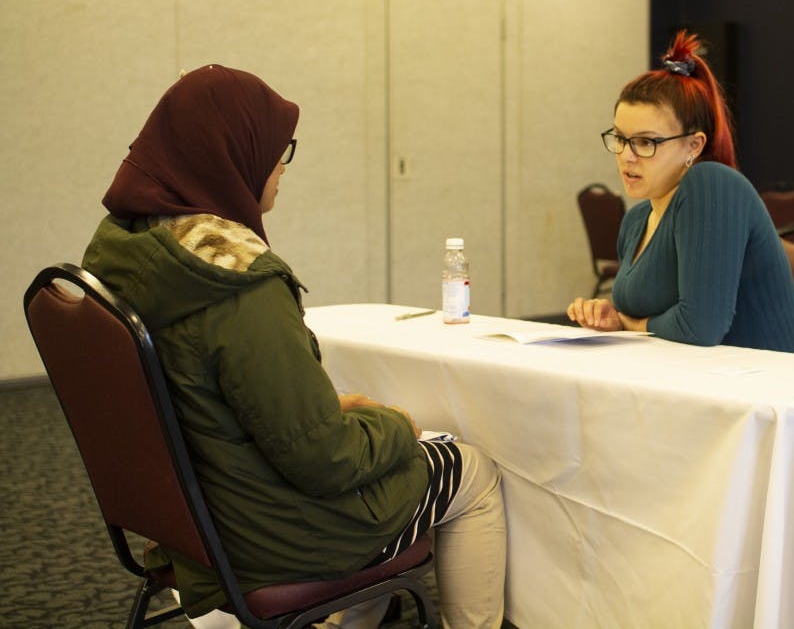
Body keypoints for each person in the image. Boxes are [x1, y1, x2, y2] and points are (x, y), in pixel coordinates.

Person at [81, 64, 506, 628]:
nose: (282, 166)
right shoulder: (236, 282)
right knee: (469, 469)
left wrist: (340, 414)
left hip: (189, 525)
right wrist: (397, 427)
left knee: (370, 440)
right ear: (235, 154)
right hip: (268, 535)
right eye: (278, 150)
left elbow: (212, 399)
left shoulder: (118, 256)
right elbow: (325, 460)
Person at [567, 31, 794, 354]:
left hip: (759, 389)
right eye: (620, 138)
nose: (626, 155)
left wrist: (629, 324)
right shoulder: (637, 219)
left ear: (694, 145)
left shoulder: (711, 184)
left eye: (645, 142)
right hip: (687, 381)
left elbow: (700, 326)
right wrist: (613, 317)